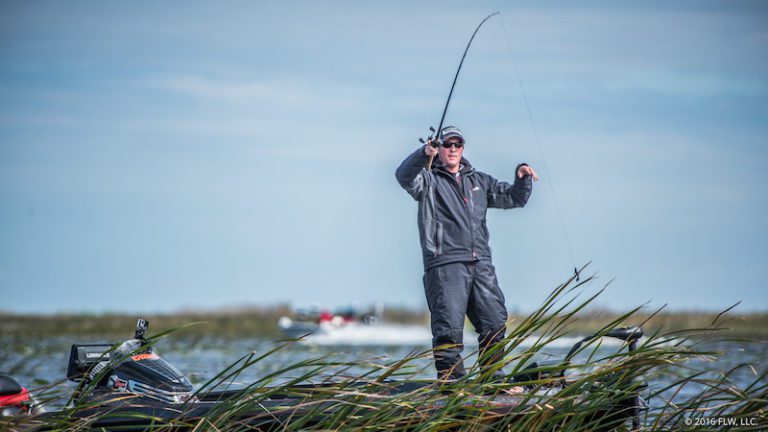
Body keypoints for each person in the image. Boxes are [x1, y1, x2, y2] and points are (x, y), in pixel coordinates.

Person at [395, 126, 538, 380]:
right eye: (447, 144)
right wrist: (422, 153)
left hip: (481, 263)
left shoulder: (479, 181)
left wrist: (522, 177)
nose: (452, 149)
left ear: (463, 148)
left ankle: (492, 379)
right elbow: (403, 176)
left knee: (494, 322)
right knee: (448, 330)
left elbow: (514, 198)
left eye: (457, 144)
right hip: (445, 264)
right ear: (438, 148)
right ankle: (453, 384)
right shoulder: (427, 180)